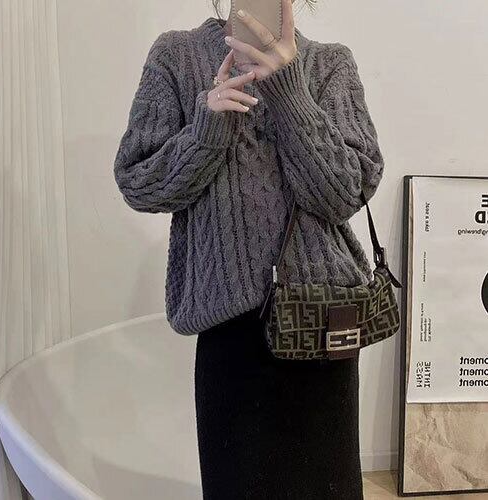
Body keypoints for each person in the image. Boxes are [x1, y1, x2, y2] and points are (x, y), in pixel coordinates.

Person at [113, 0, 385, 497]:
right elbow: (139, 182)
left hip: (320, 325)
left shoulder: (330, 64)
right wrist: (207, 128)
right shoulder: (176, 57)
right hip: (229, 333)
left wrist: (289, 92)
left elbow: (344, 193)